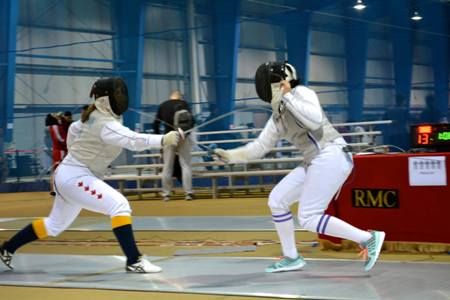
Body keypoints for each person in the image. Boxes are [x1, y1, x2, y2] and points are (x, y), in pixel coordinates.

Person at [213, 62, 385, 273]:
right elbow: (259, 147)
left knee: (309, 216)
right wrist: (230, 156)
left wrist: (287, 96)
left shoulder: (303, 93)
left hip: (331, 154)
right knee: (277, 200)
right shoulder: (276, 117)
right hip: (315, 160)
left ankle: (368, 238)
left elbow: (313, 120)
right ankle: (292, 257)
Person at [0, 77, 181, 273]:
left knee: (54, 225)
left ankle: (6, 249)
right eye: (117, 94)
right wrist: (164, 139)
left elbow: (73, 131)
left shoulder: (95, 116)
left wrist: (73, 157)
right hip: (75, 177)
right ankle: (134, 260)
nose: (120, 98)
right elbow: (133, 140)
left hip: (70, 174)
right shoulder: (104, 123)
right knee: (119, 205)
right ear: (105, 99)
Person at [153, 90, 195, 201]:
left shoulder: (163, 105)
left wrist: (159, 139)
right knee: (185, 165)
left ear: (170, 96)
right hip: (183, 138)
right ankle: (188, 193)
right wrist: (186, 134)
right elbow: (192, 121)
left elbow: (155, 124)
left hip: (168, 138)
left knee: (167, 166)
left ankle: (166, 194)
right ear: (180, 97)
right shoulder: (185, 104)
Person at [46, 112, 67, 196]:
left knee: (57, 170)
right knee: (58, 170)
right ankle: (54, 189)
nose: (56, 114)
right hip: (60, 150)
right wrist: (67, 142)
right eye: (54, 114)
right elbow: (59, 138)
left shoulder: (56, 126)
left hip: (59, 149)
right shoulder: (54, 126)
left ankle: (54, 189)